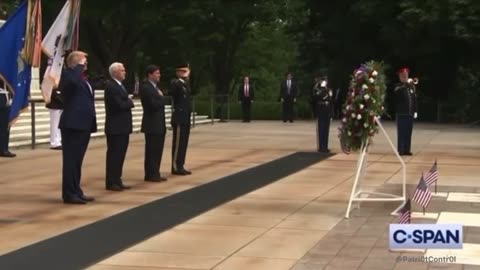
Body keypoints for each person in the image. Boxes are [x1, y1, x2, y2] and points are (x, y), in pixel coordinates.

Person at [59, 51, 97, 204]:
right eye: (83, 62)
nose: (86, 65)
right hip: (72, 124)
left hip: (83, 124)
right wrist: (78, 67)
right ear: (75, 63)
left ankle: (76, 190)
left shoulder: (82, 78)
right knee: (70, 160)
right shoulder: (68, 75)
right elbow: (72, 84)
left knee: (77, 161)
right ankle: (69, 193)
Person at [104, 62, 134, 191]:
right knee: (114, 155)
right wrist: (129, 102)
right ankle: (112, 181)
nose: (124, 72)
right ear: (115, 72)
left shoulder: (120, 86)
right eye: (122, 70)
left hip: (122, 126)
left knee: (120, 154)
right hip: (115, 126)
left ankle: (117, 179)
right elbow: (119, 104)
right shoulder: (111, 86)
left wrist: (126, 101)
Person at [140, 65, 168, 182]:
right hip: (152, 124)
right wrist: (162, 98)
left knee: (158, 150)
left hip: (159, 123)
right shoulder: (146, 88)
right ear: (150, 74)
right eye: (156, 73)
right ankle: (151, 173)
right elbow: (152, 104)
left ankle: (155, 172)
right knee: (152, 150)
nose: (159, 75)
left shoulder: (156, 87)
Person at [169, 63, 192, 176]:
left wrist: (186, 79)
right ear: (178, 73)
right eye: (183, 71)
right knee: (178, 144)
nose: (186, 74)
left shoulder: (185, 84)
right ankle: (175, 166)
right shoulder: (175, 83)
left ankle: (180, 164)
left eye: (186, 71)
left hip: (185, 118)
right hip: (178, 118)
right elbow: (173, 92)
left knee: (183, 143)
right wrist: (183, 78)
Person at [394, 67, 418, 156]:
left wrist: (415, 111)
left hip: (410, 113)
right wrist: (406, 84)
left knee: (408, 131)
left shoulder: (412, 87)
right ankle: (401, 149)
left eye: (406, 75)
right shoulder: (398, 86)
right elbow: (397, 92)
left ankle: (407, 149)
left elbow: (414, 99)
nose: (405, 77)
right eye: (403, 76)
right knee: (401, 132)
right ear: (400, 77)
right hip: (401, 113)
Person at [312, 75, 333, 153]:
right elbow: (315, 100)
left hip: (327, 109)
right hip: (320, 109)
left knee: (326, 129)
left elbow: (331, 102)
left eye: (326, 81)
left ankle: (325, 146)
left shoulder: (329, 90)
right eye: (323, 80)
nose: (325, 82)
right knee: (321, 128)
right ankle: (321, 147)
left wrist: (331, 113)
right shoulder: (317, 90)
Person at [0, 80, 15, 158]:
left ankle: (4, 148)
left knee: (6, 126)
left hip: (6, 97)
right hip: (2, 98)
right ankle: (3, 149)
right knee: (3, 126)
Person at [46, 84, 63, 150]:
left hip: (61, 104)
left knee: (59, 124)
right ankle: (54, 142)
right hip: (54, 104)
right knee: (55, 124)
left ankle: (58, 140)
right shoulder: (50, 79)